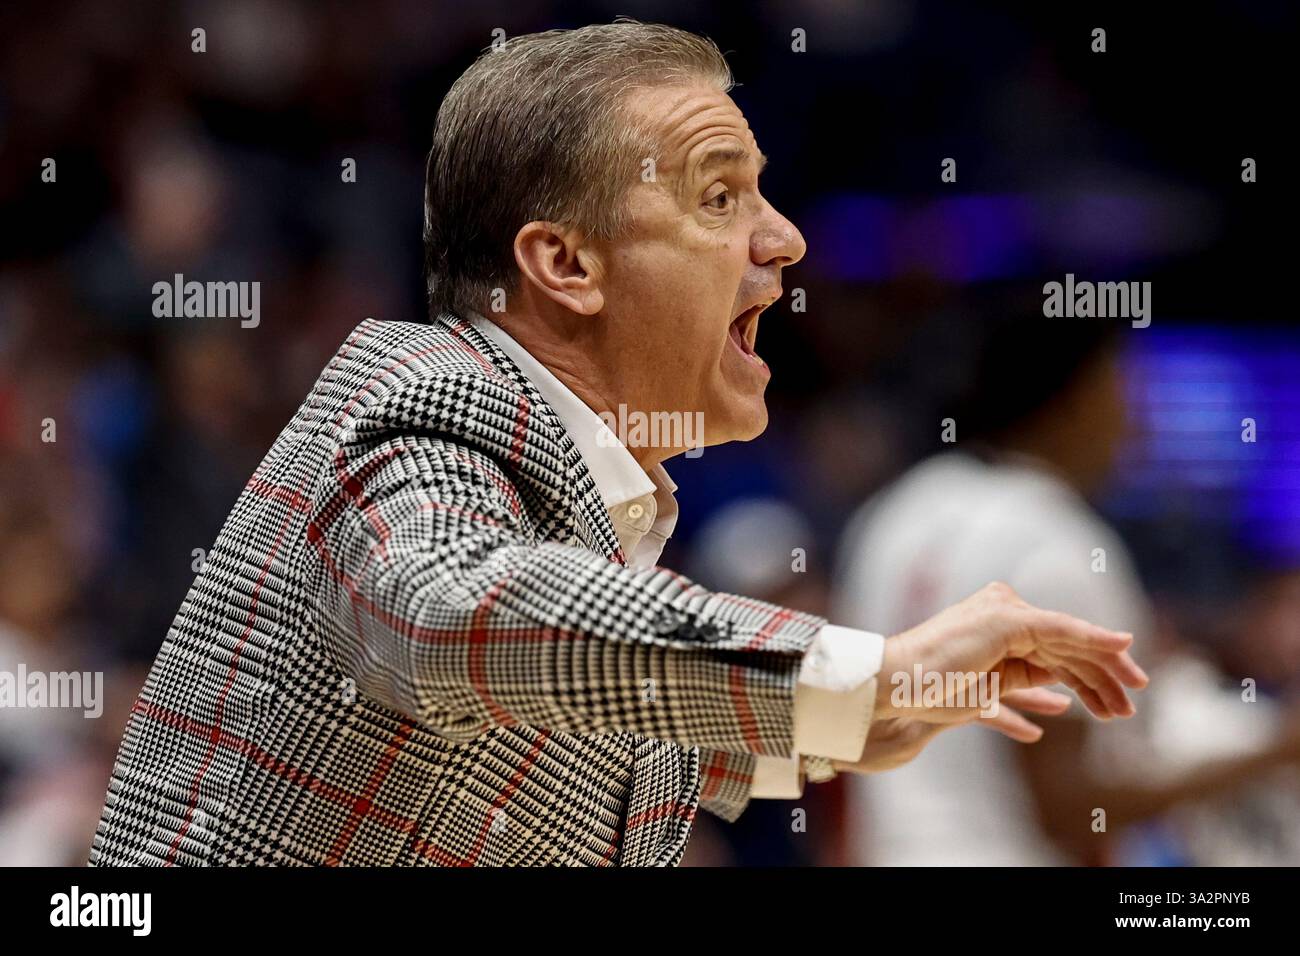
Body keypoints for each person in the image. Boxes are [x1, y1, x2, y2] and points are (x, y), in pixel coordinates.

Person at [88, 21, 1144, 868]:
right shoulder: (429, 391)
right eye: (719, 195)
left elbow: (567, 707)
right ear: (565, 263)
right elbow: (454, 618)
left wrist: (839, 721)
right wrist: (860, 674)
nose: (785, 239)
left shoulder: (580, 491)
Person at [835, 316, 1300, 865]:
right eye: (1123, 389)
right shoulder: (1058, 540)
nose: (1137, 423)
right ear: (1077, 398)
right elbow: (1067, 811)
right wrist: (1277, 749)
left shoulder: (894, 512)